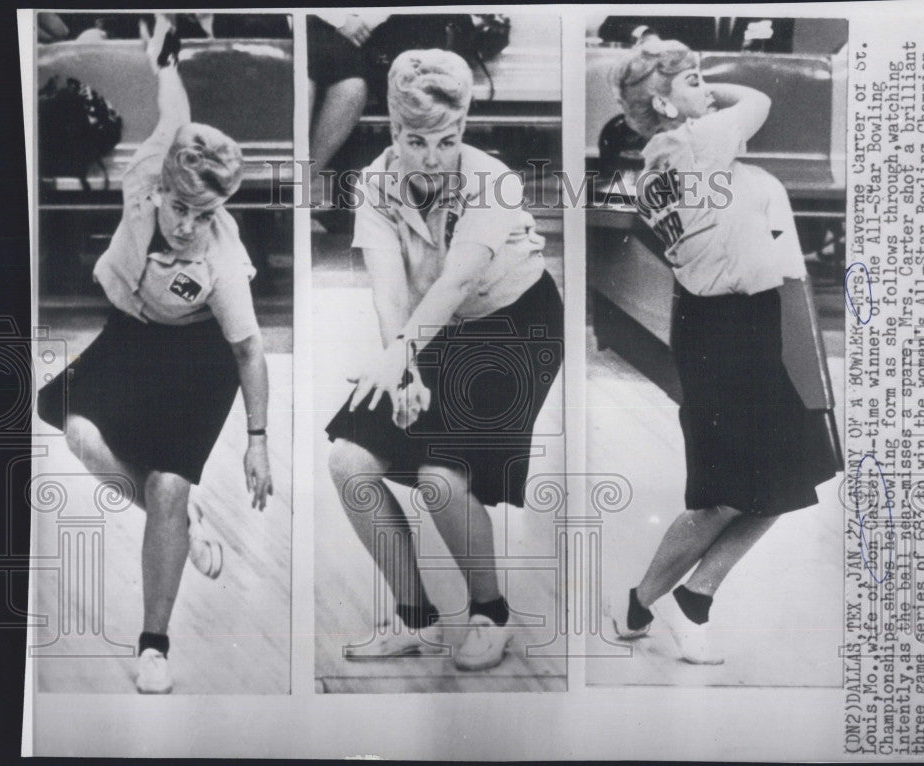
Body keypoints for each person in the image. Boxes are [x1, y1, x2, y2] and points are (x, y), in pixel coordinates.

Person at [37, 16, 274, 693]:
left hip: (201, 354)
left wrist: (258, 441)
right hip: (133, 332)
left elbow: (252, 351)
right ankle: (178, 519)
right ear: (162, 183)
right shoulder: (146, 172)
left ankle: (154, 645)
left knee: (168, 484)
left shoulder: (222, 261)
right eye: (181, 208)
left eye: (206, 214)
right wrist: (159, 57)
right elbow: (176, 110)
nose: (189, 225)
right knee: (79, 436)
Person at [325, 49, 563, 672]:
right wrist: (400, 366)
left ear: (463, 127)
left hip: (516, 327)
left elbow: (456, 281)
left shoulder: (493, 180)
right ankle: (417, 621)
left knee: (438, 479)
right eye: (415, 140)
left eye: (447, 140)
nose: (432, 157)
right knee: (349, 461)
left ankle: (491, 614)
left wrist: (404, 354)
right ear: (390, 130)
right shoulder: (374, 183)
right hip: (433, 330)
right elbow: (387, 287)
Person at [607, 37, 837, 663]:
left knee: (789, 478)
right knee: (729, 493)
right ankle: (664, 602)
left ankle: (673, 601)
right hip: (726, 329)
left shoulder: (668, 152)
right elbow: (758, 98)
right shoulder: (691, 143)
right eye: (693, 80)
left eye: (705, 78)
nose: (708, 89)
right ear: (663, 100)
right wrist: (699, 99)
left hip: (750, 319)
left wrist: (685, 93)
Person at [307, 12, 389, 206]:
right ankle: (291, 187)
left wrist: (362, 22)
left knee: (352, 87)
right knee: (302, 83)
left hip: (367, 33)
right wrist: (340, 20)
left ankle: (299, 183)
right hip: (312, 23)